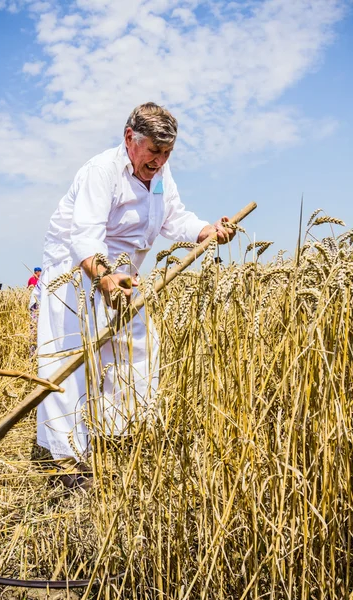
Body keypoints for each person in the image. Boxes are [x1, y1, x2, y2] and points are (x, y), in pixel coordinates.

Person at [36, 102, 235, 480]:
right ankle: (66, 458)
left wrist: (205, 231)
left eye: (167, 152)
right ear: (130, 139)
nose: (159, 160)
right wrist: (105, 279)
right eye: (154, 151)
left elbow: (173, 216)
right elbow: (84, 237)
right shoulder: (102, 172)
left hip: (126, 273)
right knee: (71, 358)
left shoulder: (160, 173)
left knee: (137, 348)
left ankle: (117, 434)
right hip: (77, 270)